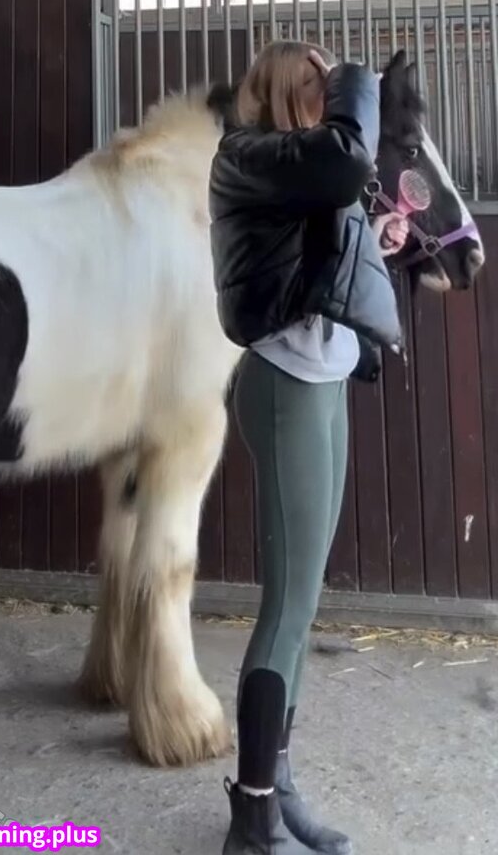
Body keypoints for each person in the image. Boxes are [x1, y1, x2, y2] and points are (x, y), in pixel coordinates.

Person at [209, 41, 408, 855]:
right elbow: (342, 161)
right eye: (321, 87)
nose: (334, 100)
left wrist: (378, 239)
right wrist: (358, 84)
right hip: (285, 386)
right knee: (286, 606)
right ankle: (253, 816)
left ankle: (278, 783)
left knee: (305, 602)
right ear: (296, 96)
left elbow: (324, 254)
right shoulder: (248, 155)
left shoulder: (303, 169)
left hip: (323, 381)